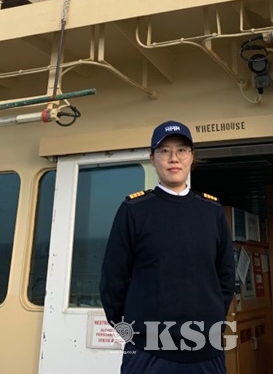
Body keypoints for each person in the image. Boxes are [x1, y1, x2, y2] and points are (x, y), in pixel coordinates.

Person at [100, 120, 236, 373]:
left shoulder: (212, 211)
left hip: (205, 349)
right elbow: (113, 279)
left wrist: (212, 321)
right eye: (164, 151)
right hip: (148, 350)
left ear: (192, 156)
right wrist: (131, 332)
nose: (174, 158)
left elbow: (226, 277)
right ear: (152, 158)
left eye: (182, 150)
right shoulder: (134, 210)